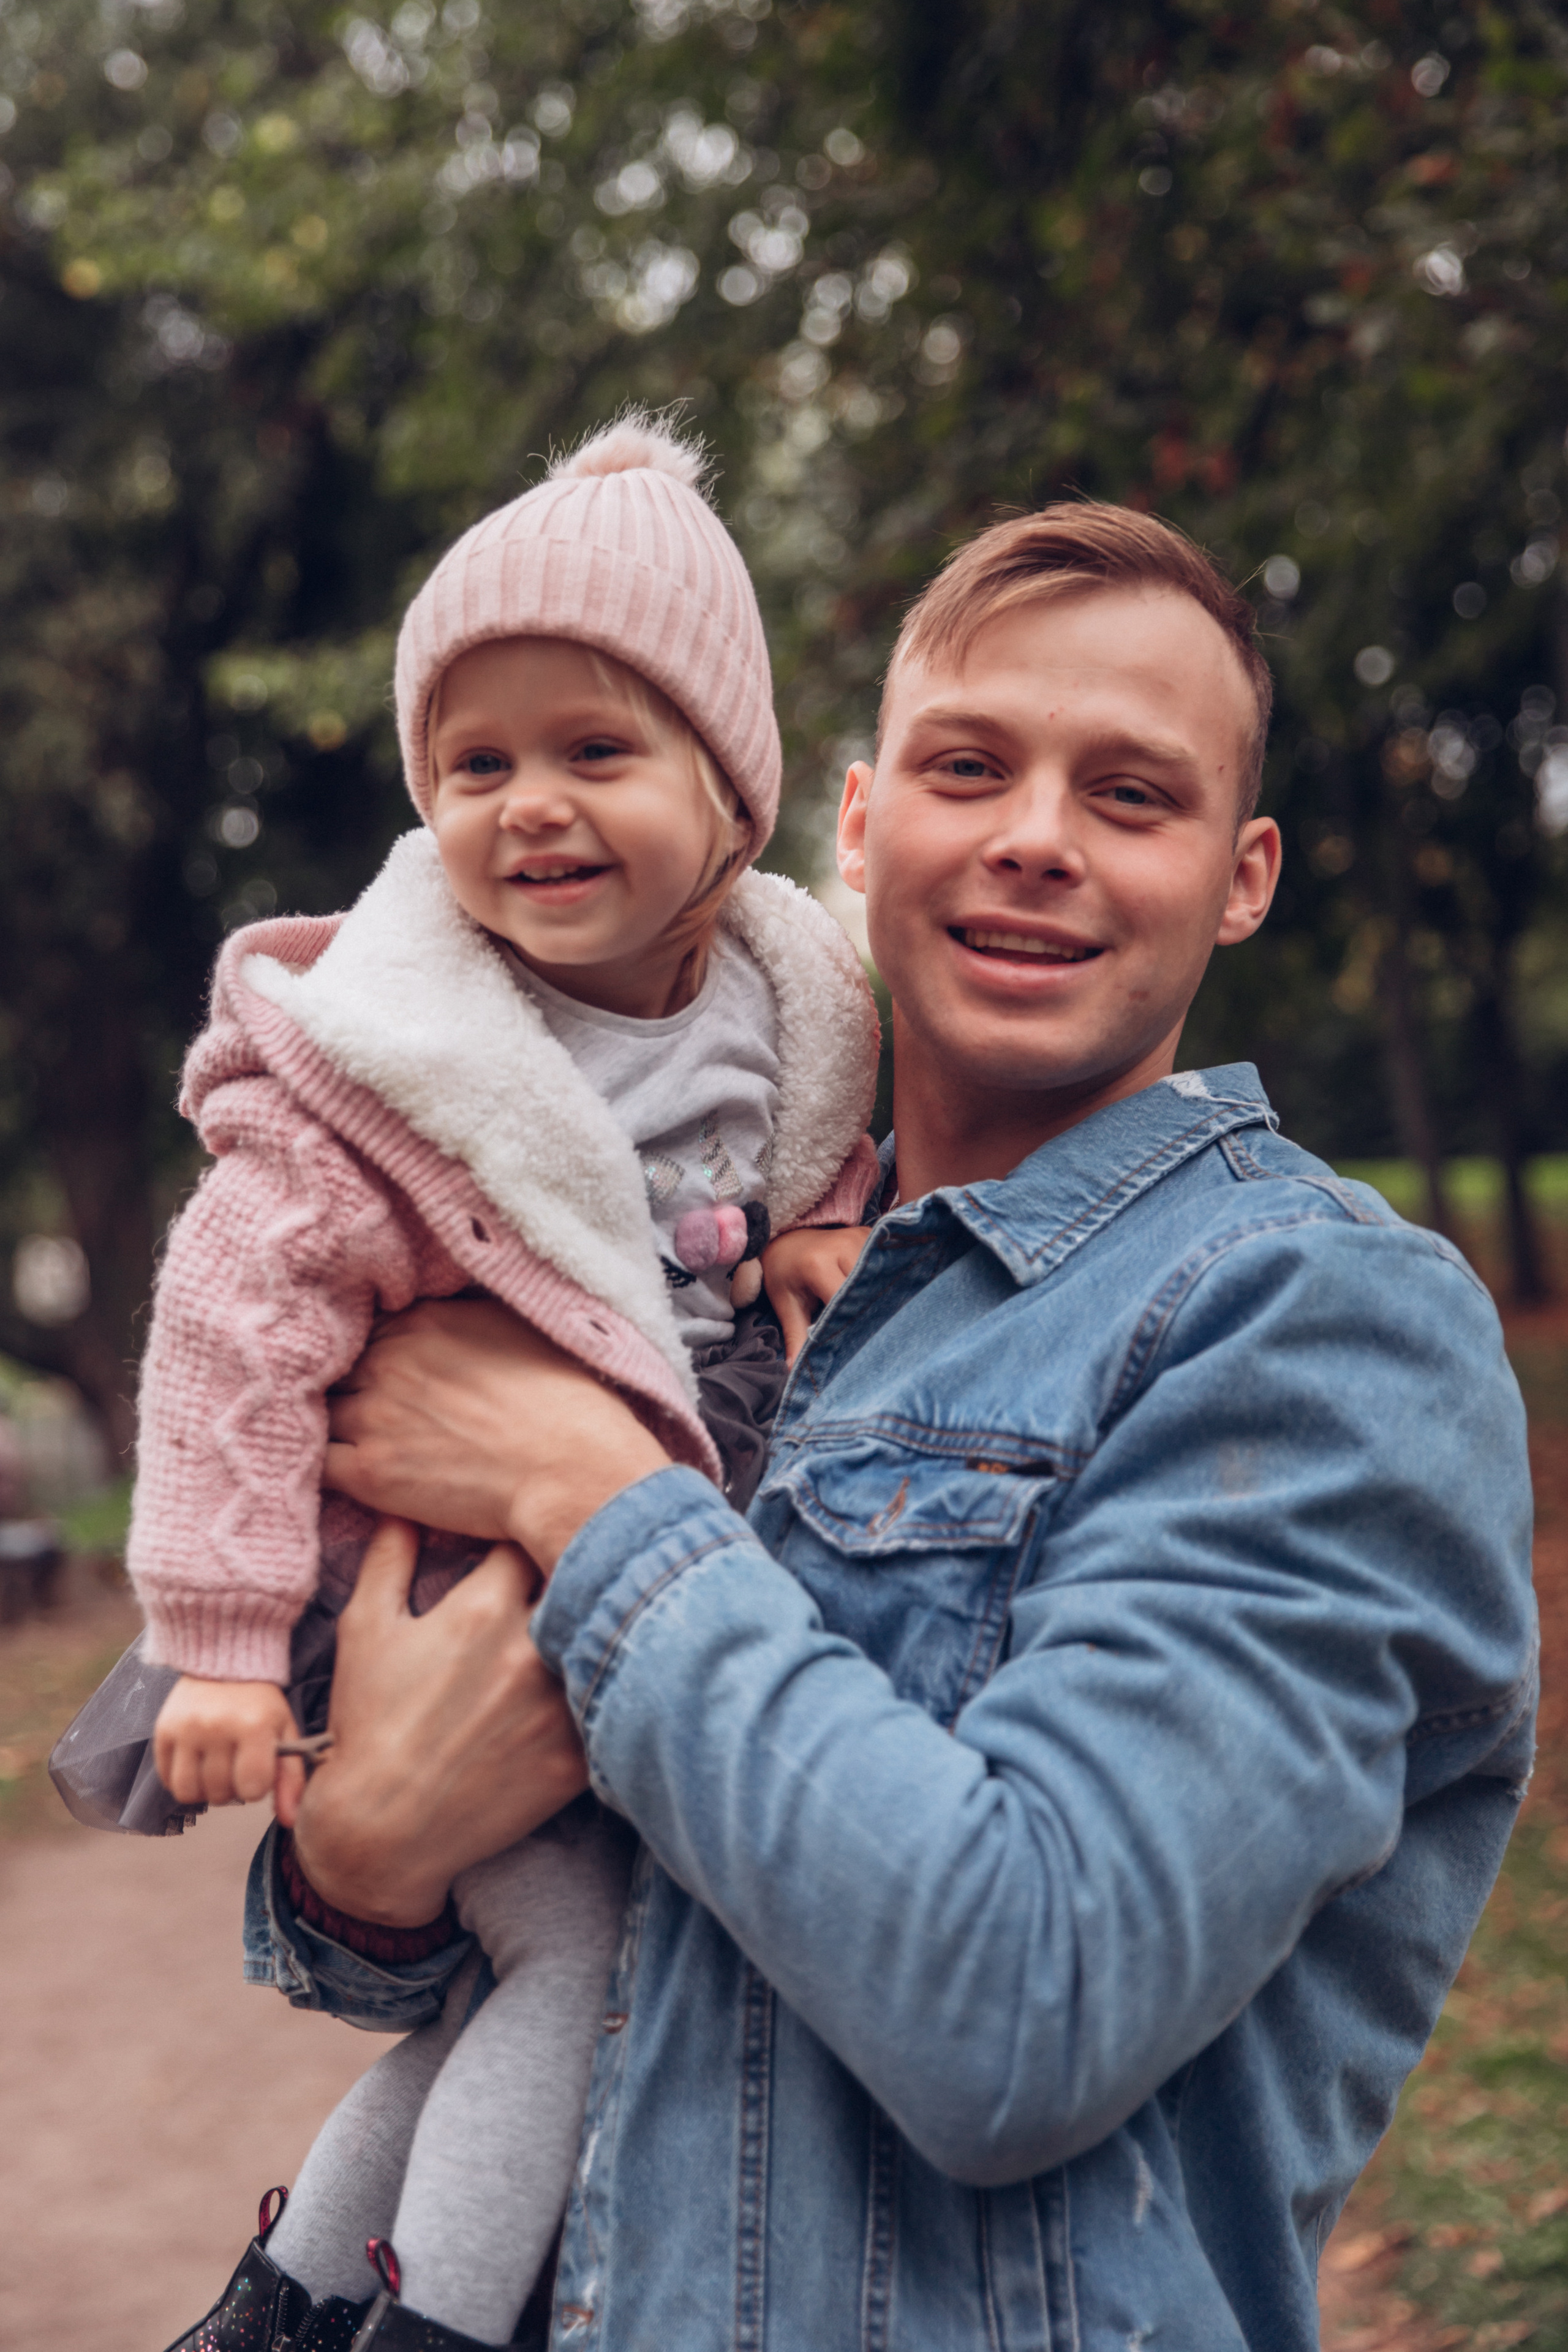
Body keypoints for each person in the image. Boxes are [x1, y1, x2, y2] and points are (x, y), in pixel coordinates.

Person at [249, 505, 1535, 2352]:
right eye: (968, 766)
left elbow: (1025, 2009)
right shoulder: (690, 1268)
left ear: (1243, 878)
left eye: (1132, 795)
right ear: (855, 825)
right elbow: (523, 1947)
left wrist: (578, 1485)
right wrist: (356, 1865)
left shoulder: (1321, 1323)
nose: (1033, 836)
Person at [129, 418, 883, 2352]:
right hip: (426, 1582)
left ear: (733, 801)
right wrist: (217, 1637)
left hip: (605, 1559)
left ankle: (284, 2298)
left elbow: (803, 1151)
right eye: (477, 762)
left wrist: (811, 1223)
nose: (528, 806)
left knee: (514, 1984)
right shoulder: (402, 1052)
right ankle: (442, 2324)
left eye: (594, 751)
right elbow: (237, 1317)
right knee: (581, 1974)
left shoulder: (788, 995)